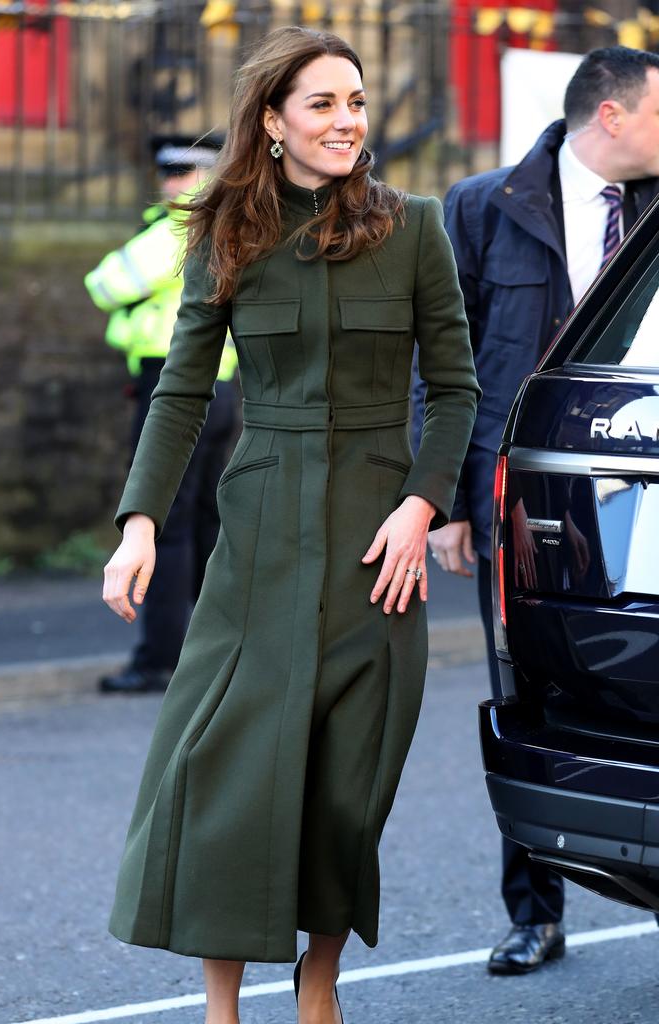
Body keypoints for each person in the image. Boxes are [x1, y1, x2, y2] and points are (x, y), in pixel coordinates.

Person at [102, 26, 479, 1024]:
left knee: (346, 779)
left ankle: (320, 984)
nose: (347, 119)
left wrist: (420, 505)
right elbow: (181, 390)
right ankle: (222, 1006)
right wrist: (140, 521)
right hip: (259, 531)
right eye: (322, 103)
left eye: (355, 102)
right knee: (229, 773)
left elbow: (455, 389)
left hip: (376, 540)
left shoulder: (415, 227)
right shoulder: (223, 227)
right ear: (273, 121)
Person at [426, 45, 659, 975]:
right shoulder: (484, 206)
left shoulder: (655, 204)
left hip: (637, 467)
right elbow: (441, 364)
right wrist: (444, 503)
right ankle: (536, 912)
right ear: (612, 115)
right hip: (525, 490)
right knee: (531, 694)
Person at [86, 136, 239, 693]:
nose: (171, 181)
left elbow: (107, 283)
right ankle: (217, 647)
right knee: (200, 524)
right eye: (165, 170)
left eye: (183, 170)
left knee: (163, 527)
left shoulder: (178, 229)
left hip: (171, 388)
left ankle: (159, 660)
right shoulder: (226, 225)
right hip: (220, 389)